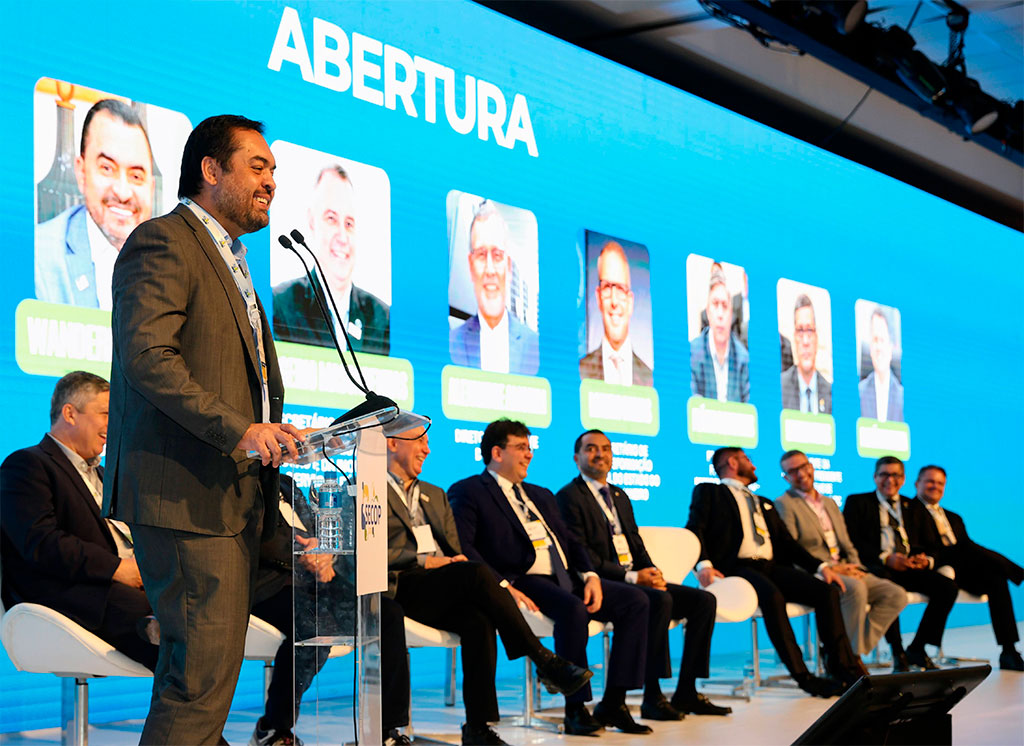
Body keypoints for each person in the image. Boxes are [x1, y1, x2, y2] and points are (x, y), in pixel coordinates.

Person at [103, 114, 305, 745]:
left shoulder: (232, 258)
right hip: (187, 497)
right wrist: (241, 430)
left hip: (230, 497)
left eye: (273, 169)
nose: (271, 181)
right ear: (211, 170)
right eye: (257, 166)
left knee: (201, 680)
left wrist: (268, 426)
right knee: (199, 683)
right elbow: (148, 358)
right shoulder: (164, 241)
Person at [385, 425, 590, 746]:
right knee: (479, 573)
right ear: (393, 443)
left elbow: (456, 549)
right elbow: (364, 551)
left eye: (428, 442)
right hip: (399, 585)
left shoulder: (434, 494)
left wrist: (450, 562)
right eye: (420, 441)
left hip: (439, 585)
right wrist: (424, 561)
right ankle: (543, 660)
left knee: (479, 620)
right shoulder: (366, 490)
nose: (427, 449)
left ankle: (478, 728)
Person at [449, 419, 652, 736]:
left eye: (529, 448)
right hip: (523, 580)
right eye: (521, 447)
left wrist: (590, 575)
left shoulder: (540, 494)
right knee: (573, 609)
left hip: (567, 577)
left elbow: (570, 541)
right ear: (497, 453)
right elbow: (465, 547)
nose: (529, 454)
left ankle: (614, 702)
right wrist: (502, 585)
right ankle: (576, 709)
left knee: (636, 601)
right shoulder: (470, 491)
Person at [556, 429, 730, 720]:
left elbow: (635, 543)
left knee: (702, 602)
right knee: (657, 600)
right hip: (598, 582)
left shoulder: (619, 495)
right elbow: (581, 553)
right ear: (577, 458)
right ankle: (647, 696)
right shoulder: (568, 497)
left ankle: (686, 690)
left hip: (634, 580)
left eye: (606, 448)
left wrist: (653, 572)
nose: (600, 454)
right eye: (591, 448)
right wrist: (633, 578)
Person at [0, 371, 157, 670]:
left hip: (124, 589)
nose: (114, 424)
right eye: (105, 414)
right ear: (70, 413)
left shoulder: (105, 475)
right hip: (73, 595)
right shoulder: (28, 464)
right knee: (177, 633)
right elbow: (41, 542)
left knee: (198, 613)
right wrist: (117, 569)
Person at [686, 447, 867, 697]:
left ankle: (843, 670)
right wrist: (704, 565)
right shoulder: (710, 492)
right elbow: (694, 528)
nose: (754, 465)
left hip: (769, 567)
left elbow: (788, 545)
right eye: (747, 459)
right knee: (773, 597)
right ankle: (804, 677)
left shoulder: (763, 502)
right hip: (736, 567)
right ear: (732, 462)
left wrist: (821, 567)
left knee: (826, 592)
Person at [775, 450, 907, 660]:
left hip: (847, 567)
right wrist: (830, 568)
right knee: (855, 589)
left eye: (803, 467)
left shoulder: (829, 503)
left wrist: (857, 568)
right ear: (786, 478)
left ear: (811, 467)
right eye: (792, 471)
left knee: (895, 594)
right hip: (817, 571)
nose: (800, 474)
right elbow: (794, 549)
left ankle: (848, 652)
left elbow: (847, 543)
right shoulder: (784, 503)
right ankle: (849, 659)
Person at [36, 98, 155, 310]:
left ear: (151, 187)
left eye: (136, 176)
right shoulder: (39, 257)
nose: (123, 192)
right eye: (107, 169)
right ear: (81, 173)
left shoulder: (170, 263)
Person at [843, 457, 957, 671]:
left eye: (895, 475)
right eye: (884, 474)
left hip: (908, 567)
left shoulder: (913, 506)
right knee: (889, 587)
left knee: (947, 588)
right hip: (877, 566)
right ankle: (897, 652)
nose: (890, 480)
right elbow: (852, 541)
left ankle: (917, 648)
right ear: (875, 477)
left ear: (903, 479)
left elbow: (931, 544)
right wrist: (885, 558)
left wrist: (925, 560)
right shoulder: (858, 502)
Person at [913, 465, 1023, 671]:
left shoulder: (954, 517)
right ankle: (1018, 572)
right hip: (932, 567)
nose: (935, 486)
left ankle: (1009, 651)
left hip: (961, 568)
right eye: (930, 481)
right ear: (917, 483)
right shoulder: (910, 511)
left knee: (996, 578)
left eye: (940, 483)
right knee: (964, 547)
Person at [272, 164, 390, 355]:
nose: (342, 237)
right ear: (312, 222)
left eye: (349, 223)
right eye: (331, 219)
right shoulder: (281, 306)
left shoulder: (382, 318)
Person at [449, 201, 539, 376]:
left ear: (508, 267)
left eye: (497, 255)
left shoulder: (535, 348)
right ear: (471, 265)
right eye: (481, 255)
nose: (490, 270)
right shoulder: (452, 344)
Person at [578, 241, 653, 386]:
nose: (614, 301)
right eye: (607, 287)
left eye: (620, 289)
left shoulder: (650, 380)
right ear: (598, 297)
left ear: (630, 301)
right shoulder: (580, 373)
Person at [690, 266, 750, 402]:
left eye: (724, 305)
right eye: (715, 304)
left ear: (731, 313)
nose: (720, 314)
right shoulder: (692, 353)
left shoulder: (743, 359)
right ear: (707, 312)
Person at [781, 295, 832, 414]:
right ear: (794, 338)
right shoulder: (781, 389)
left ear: (816, 337)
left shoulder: (830, 394)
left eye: (809, 330)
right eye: (800, 331)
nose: (805, 341)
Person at [858, 308, 904, 422]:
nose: (878, 347)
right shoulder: (860, 393)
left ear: (891, 346)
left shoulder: (902, 396)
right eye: (875, 340)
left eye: (882, 340)